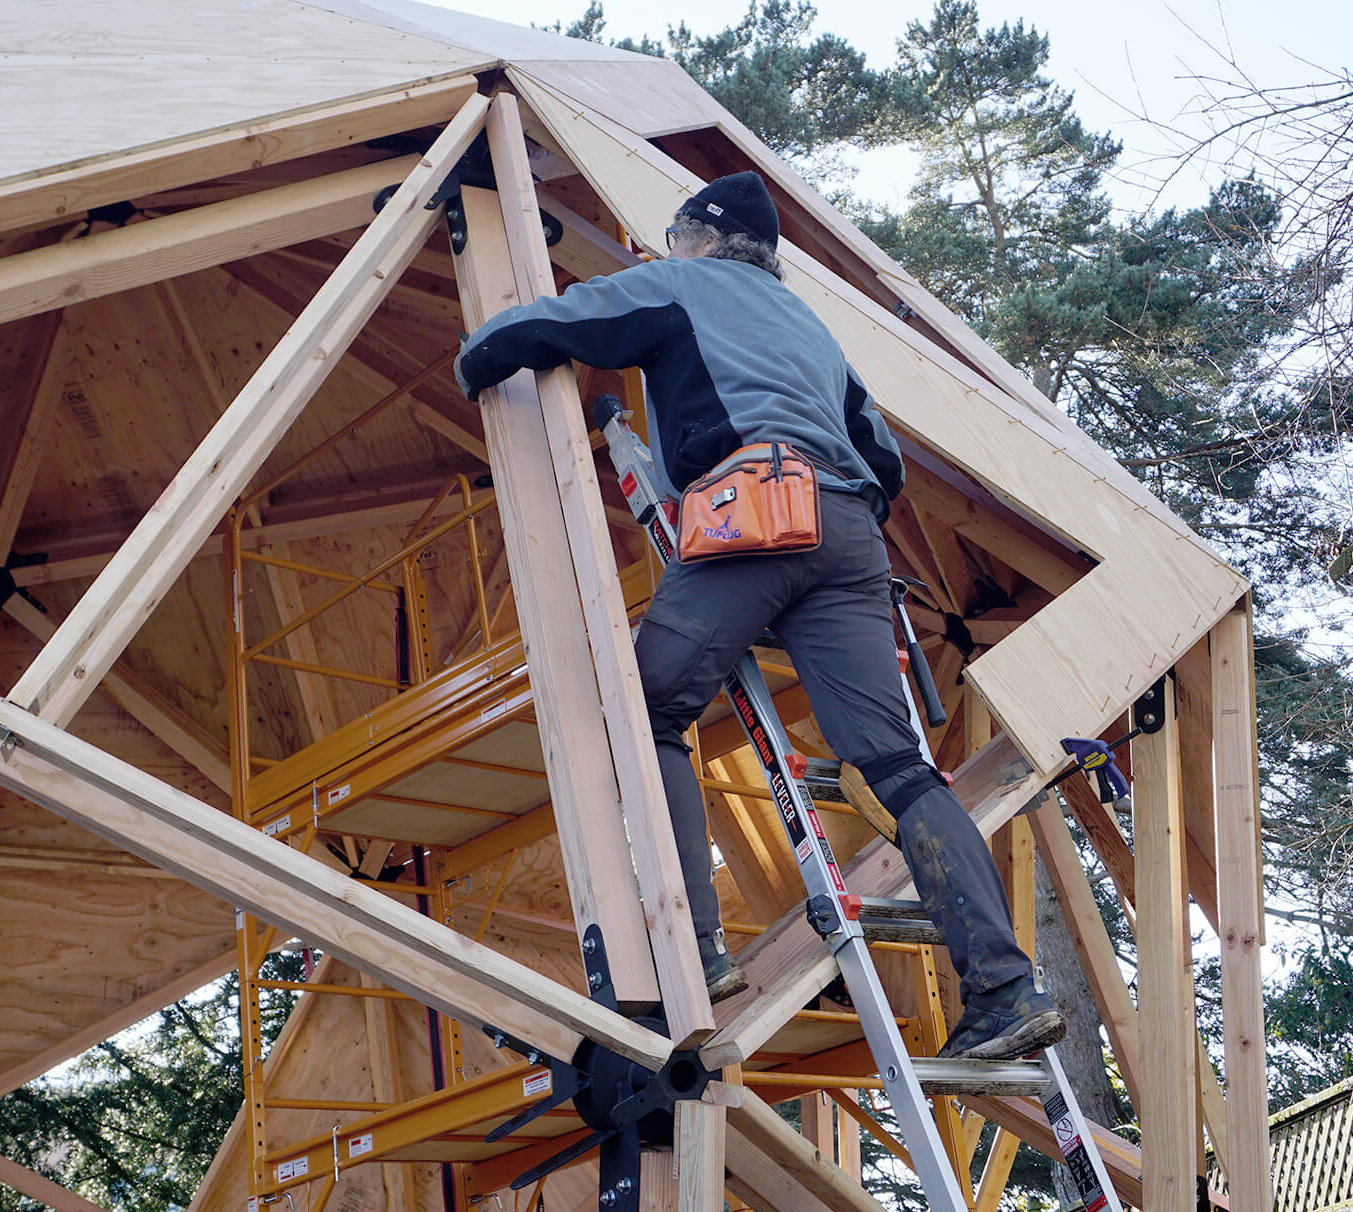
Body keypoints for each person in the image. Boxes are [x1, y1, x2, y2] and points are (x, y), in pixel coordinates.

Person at [454, 172, 1065, 1060]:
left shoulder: (683, 285)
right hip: (850, 537)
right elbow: (882, 457)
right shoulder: (814, 331)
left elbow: (556, 323)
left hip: (752, 516)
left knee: (649, 707)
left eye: (673, 235)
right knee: (897, 768)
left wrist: (478, 354)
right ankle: (1006, 991)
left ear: (700, 237)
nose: (668, 249)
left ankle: (692, 951)